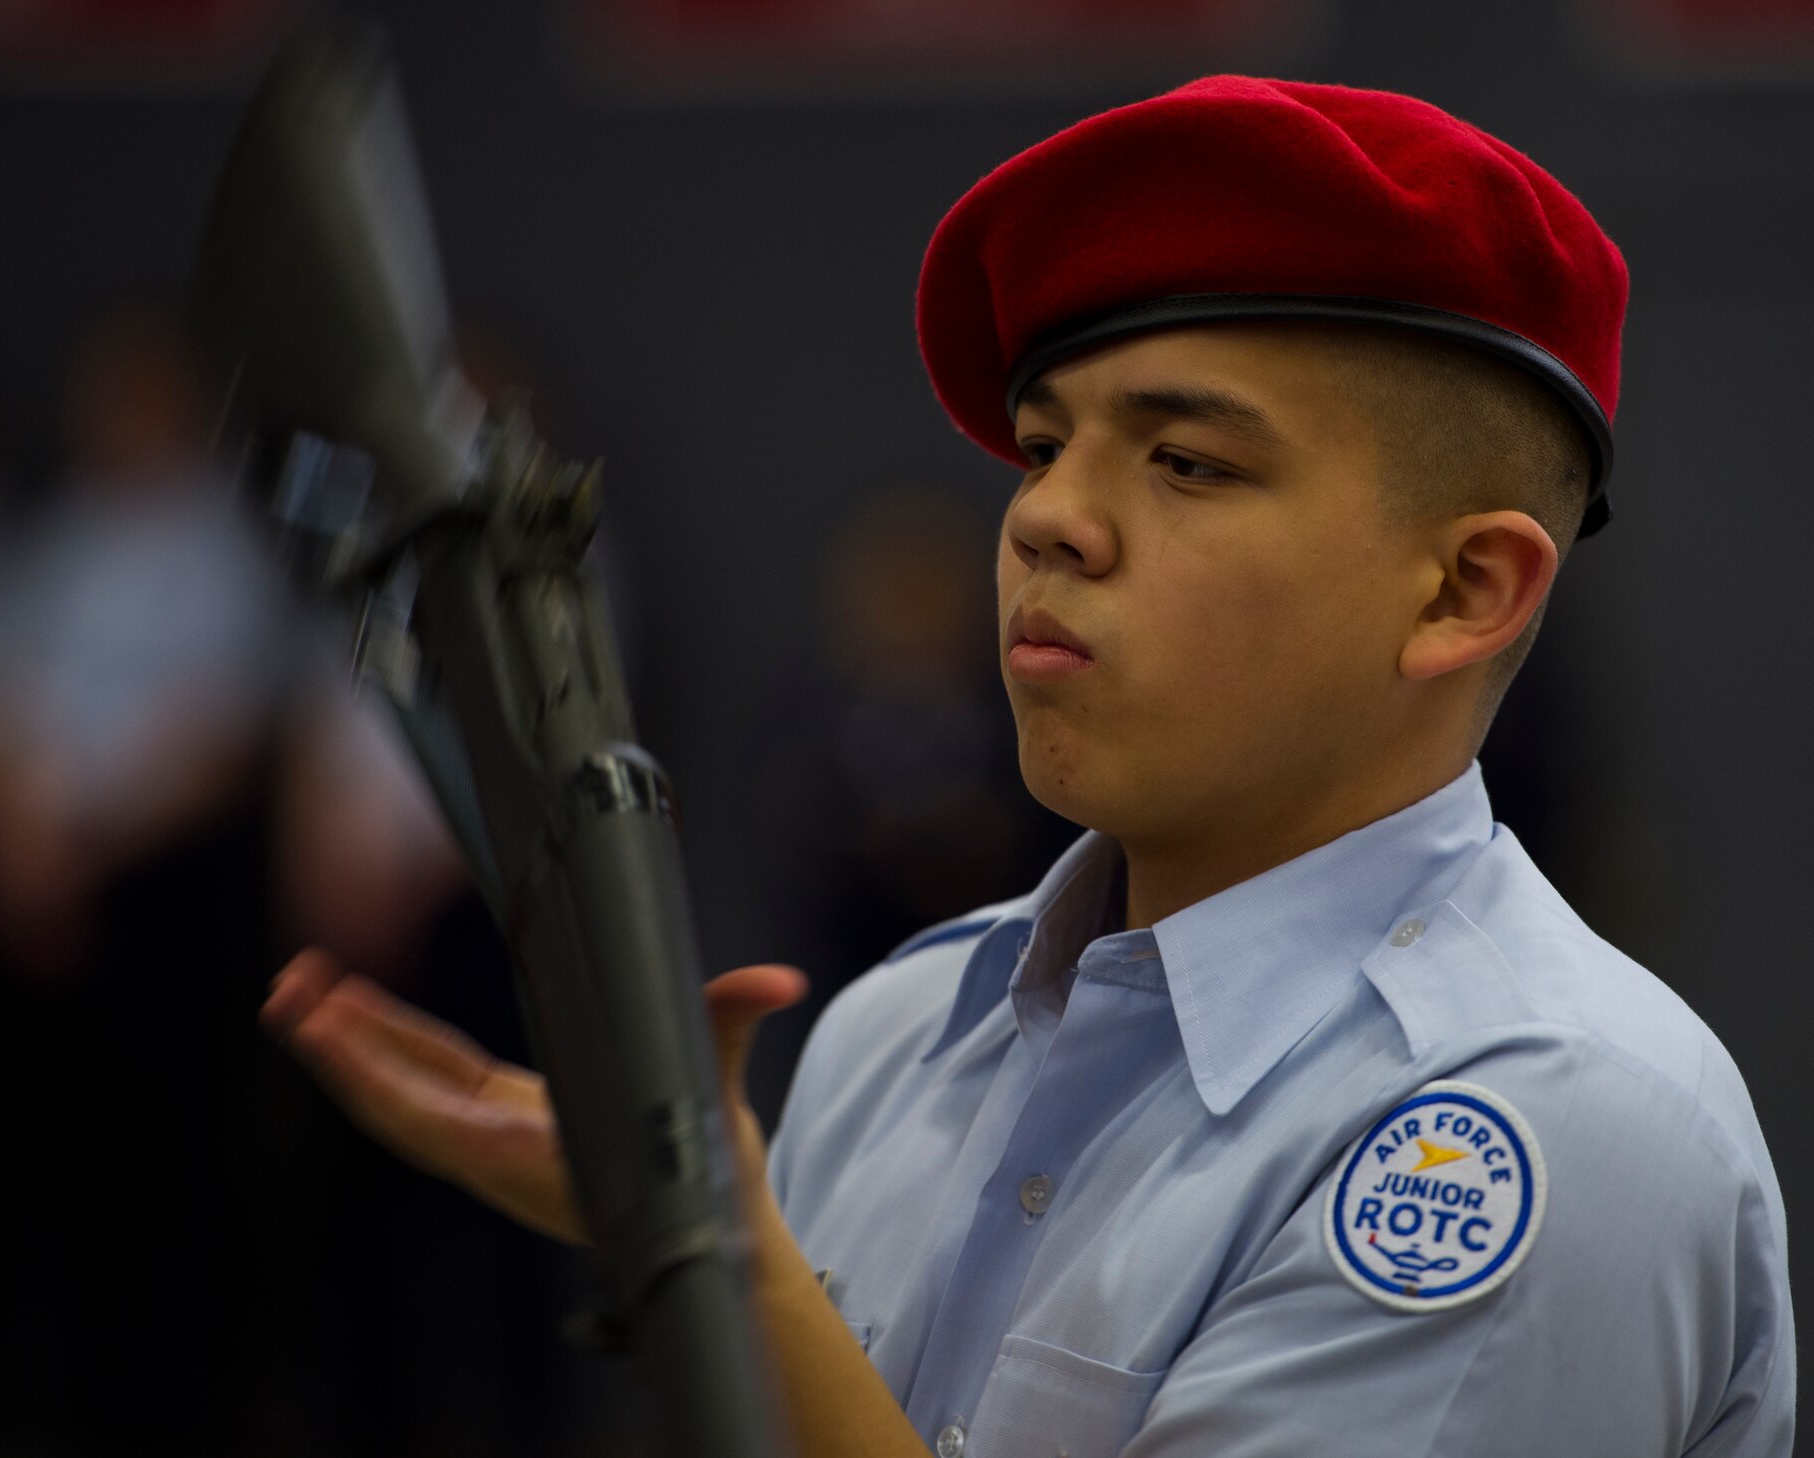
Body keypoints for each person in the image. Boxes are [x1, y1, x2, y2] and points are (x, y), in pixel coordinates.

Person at [260, 77, 1793, 1456]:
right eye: (1042, 443)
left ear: (1464, 591)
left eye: (1186, 460)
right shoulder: (901, 1032)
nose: (1047, 517)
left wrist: (724, 1255)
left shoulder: (1545, 1124)